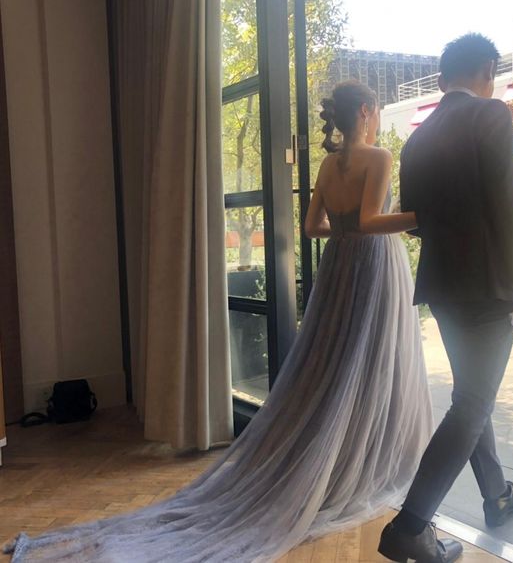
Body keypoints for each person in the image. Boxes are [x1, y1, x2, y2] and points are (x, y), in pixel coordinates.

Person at [5, 80, 433, 562]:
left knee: (334, 365)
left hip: (339, 266)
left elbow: (313, 227)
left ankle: (331, 459)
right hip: (373, 266)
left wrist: (345, 231)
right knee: (371, 362)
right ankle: (358, 461)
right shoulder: (379, 158)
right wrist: (420, 217)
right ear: (368, 111)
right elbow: (373, 221)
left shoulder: (328, 166)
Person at [378, 33, 513, 563]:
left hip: (443, 288)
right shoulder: (491, 114)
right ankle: (410, 527)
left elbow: (417, 221)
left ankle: (497, 495)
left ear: (440, 78)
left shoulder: (417, 139)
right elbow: (510, 205)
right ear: (488, 72)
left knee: (472, 397)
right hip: (488, 288)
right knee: (473, 402)